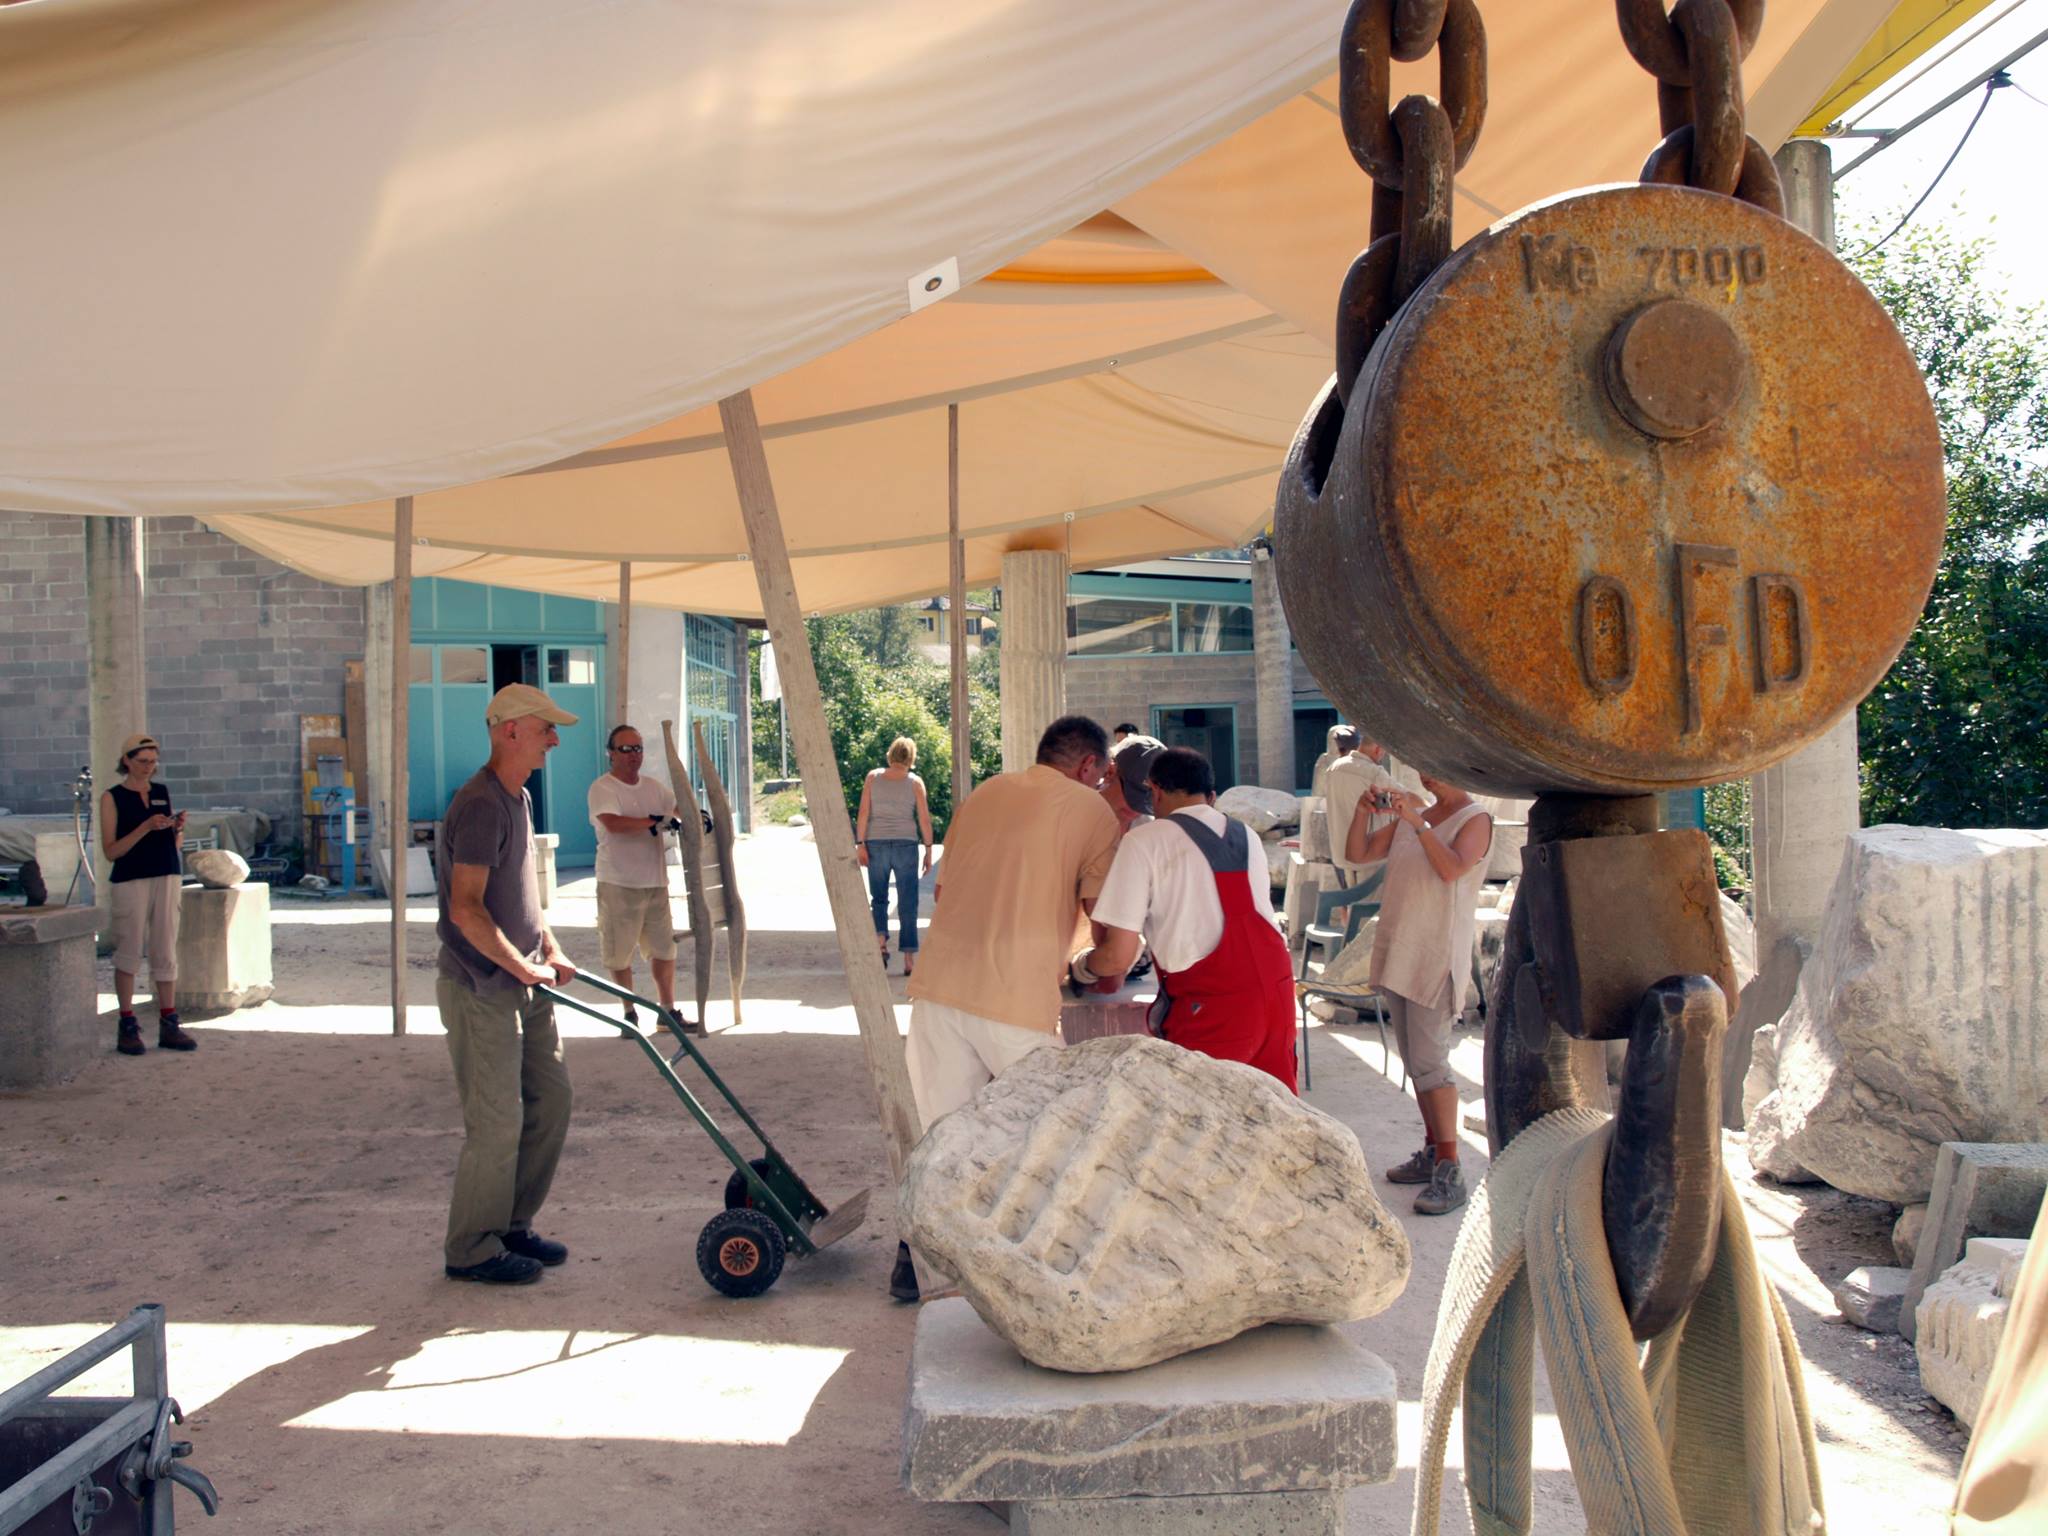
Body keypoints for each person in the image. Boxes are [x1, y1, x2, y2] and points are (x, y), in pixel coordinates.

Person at [894, 715, 1119, 1301]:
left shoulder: (986, 793)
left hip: (941, 986)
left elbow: (944, 888)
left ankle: (922, 1268)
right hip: (1015, 996)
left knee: (941, 1138)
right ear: (1088, 766)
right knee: (1054, 1134)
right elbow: (1107, 924)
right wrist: (1096, 964)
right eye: (1103, 776)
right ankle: (1046, 1274)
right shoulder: (1092, 810)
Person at [435, 683, 581, 1285]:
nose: (554, 740)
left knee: (552, 1100)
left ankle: (511, 1225)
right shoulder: (479, 805)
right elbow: (466, 908)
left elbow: (522, 898)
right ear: (509, 730)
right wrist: (520, 966)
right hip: (481, 987)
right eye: (546, 728)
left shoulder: (517, 798)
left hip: (524, 979)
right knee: (496, 1122)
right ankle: (471, 1246)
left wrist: (549, 946)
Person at [1074, 747, 1296, 1091]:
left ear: (1155, 790)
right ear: (1210, 796)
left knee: (1199, 1114)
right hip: (1277, 993)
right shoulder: (1246, 835)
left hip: (1213, 1004)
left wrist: (1082, 967)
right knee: (1272, 1113)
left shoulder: (1144, 842)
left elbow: (1118, 956)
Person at [1352, 774, 1492, 1216]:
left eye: (1436, 767)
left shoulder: (1475, 818)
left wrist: (1417, 822)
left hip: (1436, 954)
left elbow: (1451, 869)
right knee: (1415, 1061)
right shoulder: (1417, 814)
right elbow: (1358, 853)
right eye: (1424, 767)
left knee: (1432, 1064)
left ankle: (1451, 1168)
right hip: (1402, 949)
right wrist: (1362, 812)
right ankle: (1433, 1150)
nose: (1428, 775)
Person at [101, 733, 195, 1055]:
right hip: (130, 877)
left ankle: (169, 1021)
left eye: (153, 762)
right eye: (142, 761)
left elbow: (173, 844)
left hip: (166, 871)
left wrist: (176, 829)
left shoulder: (161, 792)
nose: (149, 768)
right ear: (127, 761)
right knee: (129, 948)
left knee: (165, 946)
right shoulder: (112, 797)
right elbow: (111, 851)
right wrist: (144, 826)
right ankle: (127, 1022)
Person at [587, 725, 679, 1029]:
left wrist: (695, 815)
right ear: (611, 753)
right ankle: (629, 1012)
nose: (632, 755)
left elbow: (677, 808)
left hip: (655, 882)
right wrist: (653, 822)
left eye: (637, 748)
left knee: (664, 949)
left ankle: (667, 1011)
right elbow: (613, 824)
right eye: (625, 749)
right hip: (619, 883)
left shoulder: (653, 787)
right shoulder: (603, 788)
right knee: (619, 953)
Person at [855, 736, 934, 976]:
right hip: (906, 845)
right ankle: (909, 959)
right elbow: (924, 819)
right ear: (911, 757)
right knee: (908, 902)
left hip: (876, 843)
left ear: (890, 754)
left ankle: (880, 942)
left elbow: (864, 812)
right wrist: (928, 849)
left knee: (879, 898)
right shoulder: (915, 782)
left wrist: (860, 843)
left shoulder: (872, 777)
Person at [1330, 736, 1425, 880]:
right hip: (1369, 862)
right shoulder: (1373, 773)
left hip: (1340, 860)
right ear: (1378, 749)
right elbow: (1409, 799)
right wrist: (1431, 809)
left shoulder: (1334, 768)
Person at [1100, 733, 1165, 836]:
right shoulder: (1077, 813)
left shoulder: (1151, 830)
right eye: (1133, 794)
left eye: (1149, 801)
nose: (1136, 809)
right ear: (1110, 772)